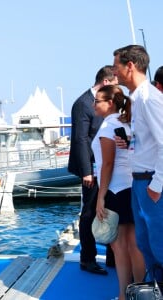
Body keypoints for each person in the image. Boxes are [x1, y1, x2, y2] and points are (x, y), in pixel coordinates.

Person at [113, 45, 163, 281]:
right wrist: (131, 142)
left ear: (130, 66)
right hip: (140, 182)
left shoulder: (149, 98)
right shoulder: (137, 99)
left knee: (159, 245)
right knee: (146, 244)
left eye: (116, 66)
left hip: (151, 183)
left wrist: (157, 185)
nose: (114, 72)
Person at [92, 84, 145, 300]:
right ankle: (140, 291)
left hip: (115, 189)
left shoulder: (107, 127)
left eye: (97, 101)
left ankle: (124, 295)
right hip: (131, 186)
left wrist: (100, 196)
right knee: (134, 242)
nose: (93, 104)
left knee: (119, 244)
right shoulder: (126, 124)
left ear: (110, 103)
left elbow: (107, 164)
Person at [68, 65, 118, 275]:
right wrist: (87, 171)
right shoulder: (82, 104)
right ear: (106, 82)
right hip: (92, 167)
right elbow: (80, 139)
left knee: (110, 209)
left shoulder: (110, 103)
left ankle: (112, 258)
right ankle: (87, 258)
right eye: (115, 83)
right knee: (89, 212)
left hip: (107, 165)